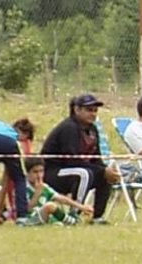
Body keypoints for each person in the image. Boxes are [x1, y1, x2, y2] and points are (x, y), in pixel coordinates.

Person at [40, 94, 116, 224]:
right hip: (54, 172)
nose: (93, 114)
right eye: (89, 110)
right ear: (77, 110)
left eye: (95, 110)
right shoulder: (69, 127)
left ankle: (97, 216)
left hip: (75, 170)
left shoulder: (92, 129)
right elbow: (72, 161)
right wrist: (101, 170)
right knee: (84, 173)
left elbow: (96, 158)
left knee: (104, 175)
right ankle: (74, 214)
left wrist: (106, 170)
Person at [24, 159, 92, 224]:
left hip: (45, 217)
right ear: (27, 173)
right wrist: (37, 192)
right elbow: (28, 209)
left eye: (41, 171)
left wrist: (81, 207)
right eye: (35, 172)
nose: (39, 175)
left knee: (53, 208)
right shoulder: (24, 187)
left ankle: (68, 220)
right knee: (49, 206)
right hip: (30, 218)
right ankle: (73, 222)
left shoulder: (44, 187)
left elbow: (62, 199)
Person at [0, 118, 32, 224]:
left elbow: (6, 176)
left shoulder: (0, 124)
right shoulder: (11, 134)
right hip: (7, 142)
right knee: (20, 179)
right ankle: (21, 216)